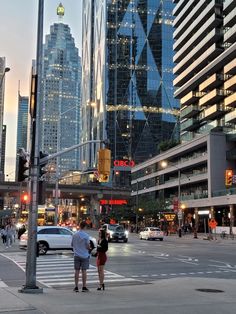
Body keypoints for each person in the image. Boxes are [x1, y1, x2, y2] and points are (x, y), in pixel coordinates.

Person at [71, 221, 91, 292]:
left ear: (79, 226)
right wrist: (90, 248)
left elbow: (72, 245)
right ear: (85, 226)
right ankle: (84, 287)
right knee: (84, 271)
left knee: (76, 271)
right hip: (84, 255)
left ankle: (76, 287)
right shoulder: (86, 235)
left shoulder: (75, 234)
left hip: (76, 255)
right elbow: (88, 246)